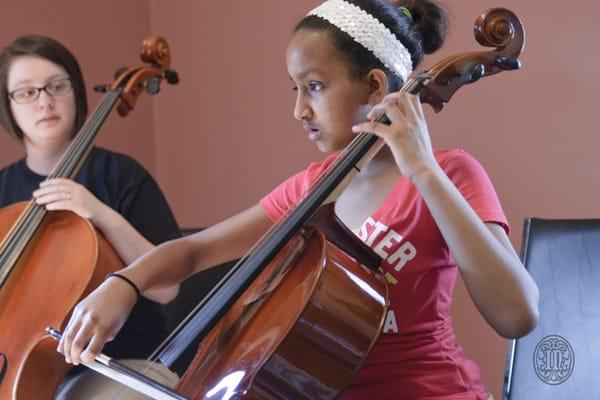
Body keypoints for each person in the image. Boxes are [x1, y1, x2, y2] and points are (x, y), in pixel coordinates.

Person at [58, 1, 540, 399]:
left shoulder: (451, 173)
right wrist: (122, 284)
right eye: (296, 89)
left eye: (314, 86)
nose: (298, 109)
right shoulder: (315, 187)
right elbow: (195, 250)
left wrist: (422, 170)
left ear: (374, 85)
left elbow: (516, 313)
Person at [0, 35, 181, 398]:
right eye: (26, 92)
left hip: (119, 366)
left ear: (77, 92)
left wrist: (98, 212)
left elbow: (167, 289)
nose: (45, 101)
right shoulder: (3, 190)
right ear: (8, 106)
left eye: (56, 86)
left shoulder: (120, 176)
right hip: (18, 370)